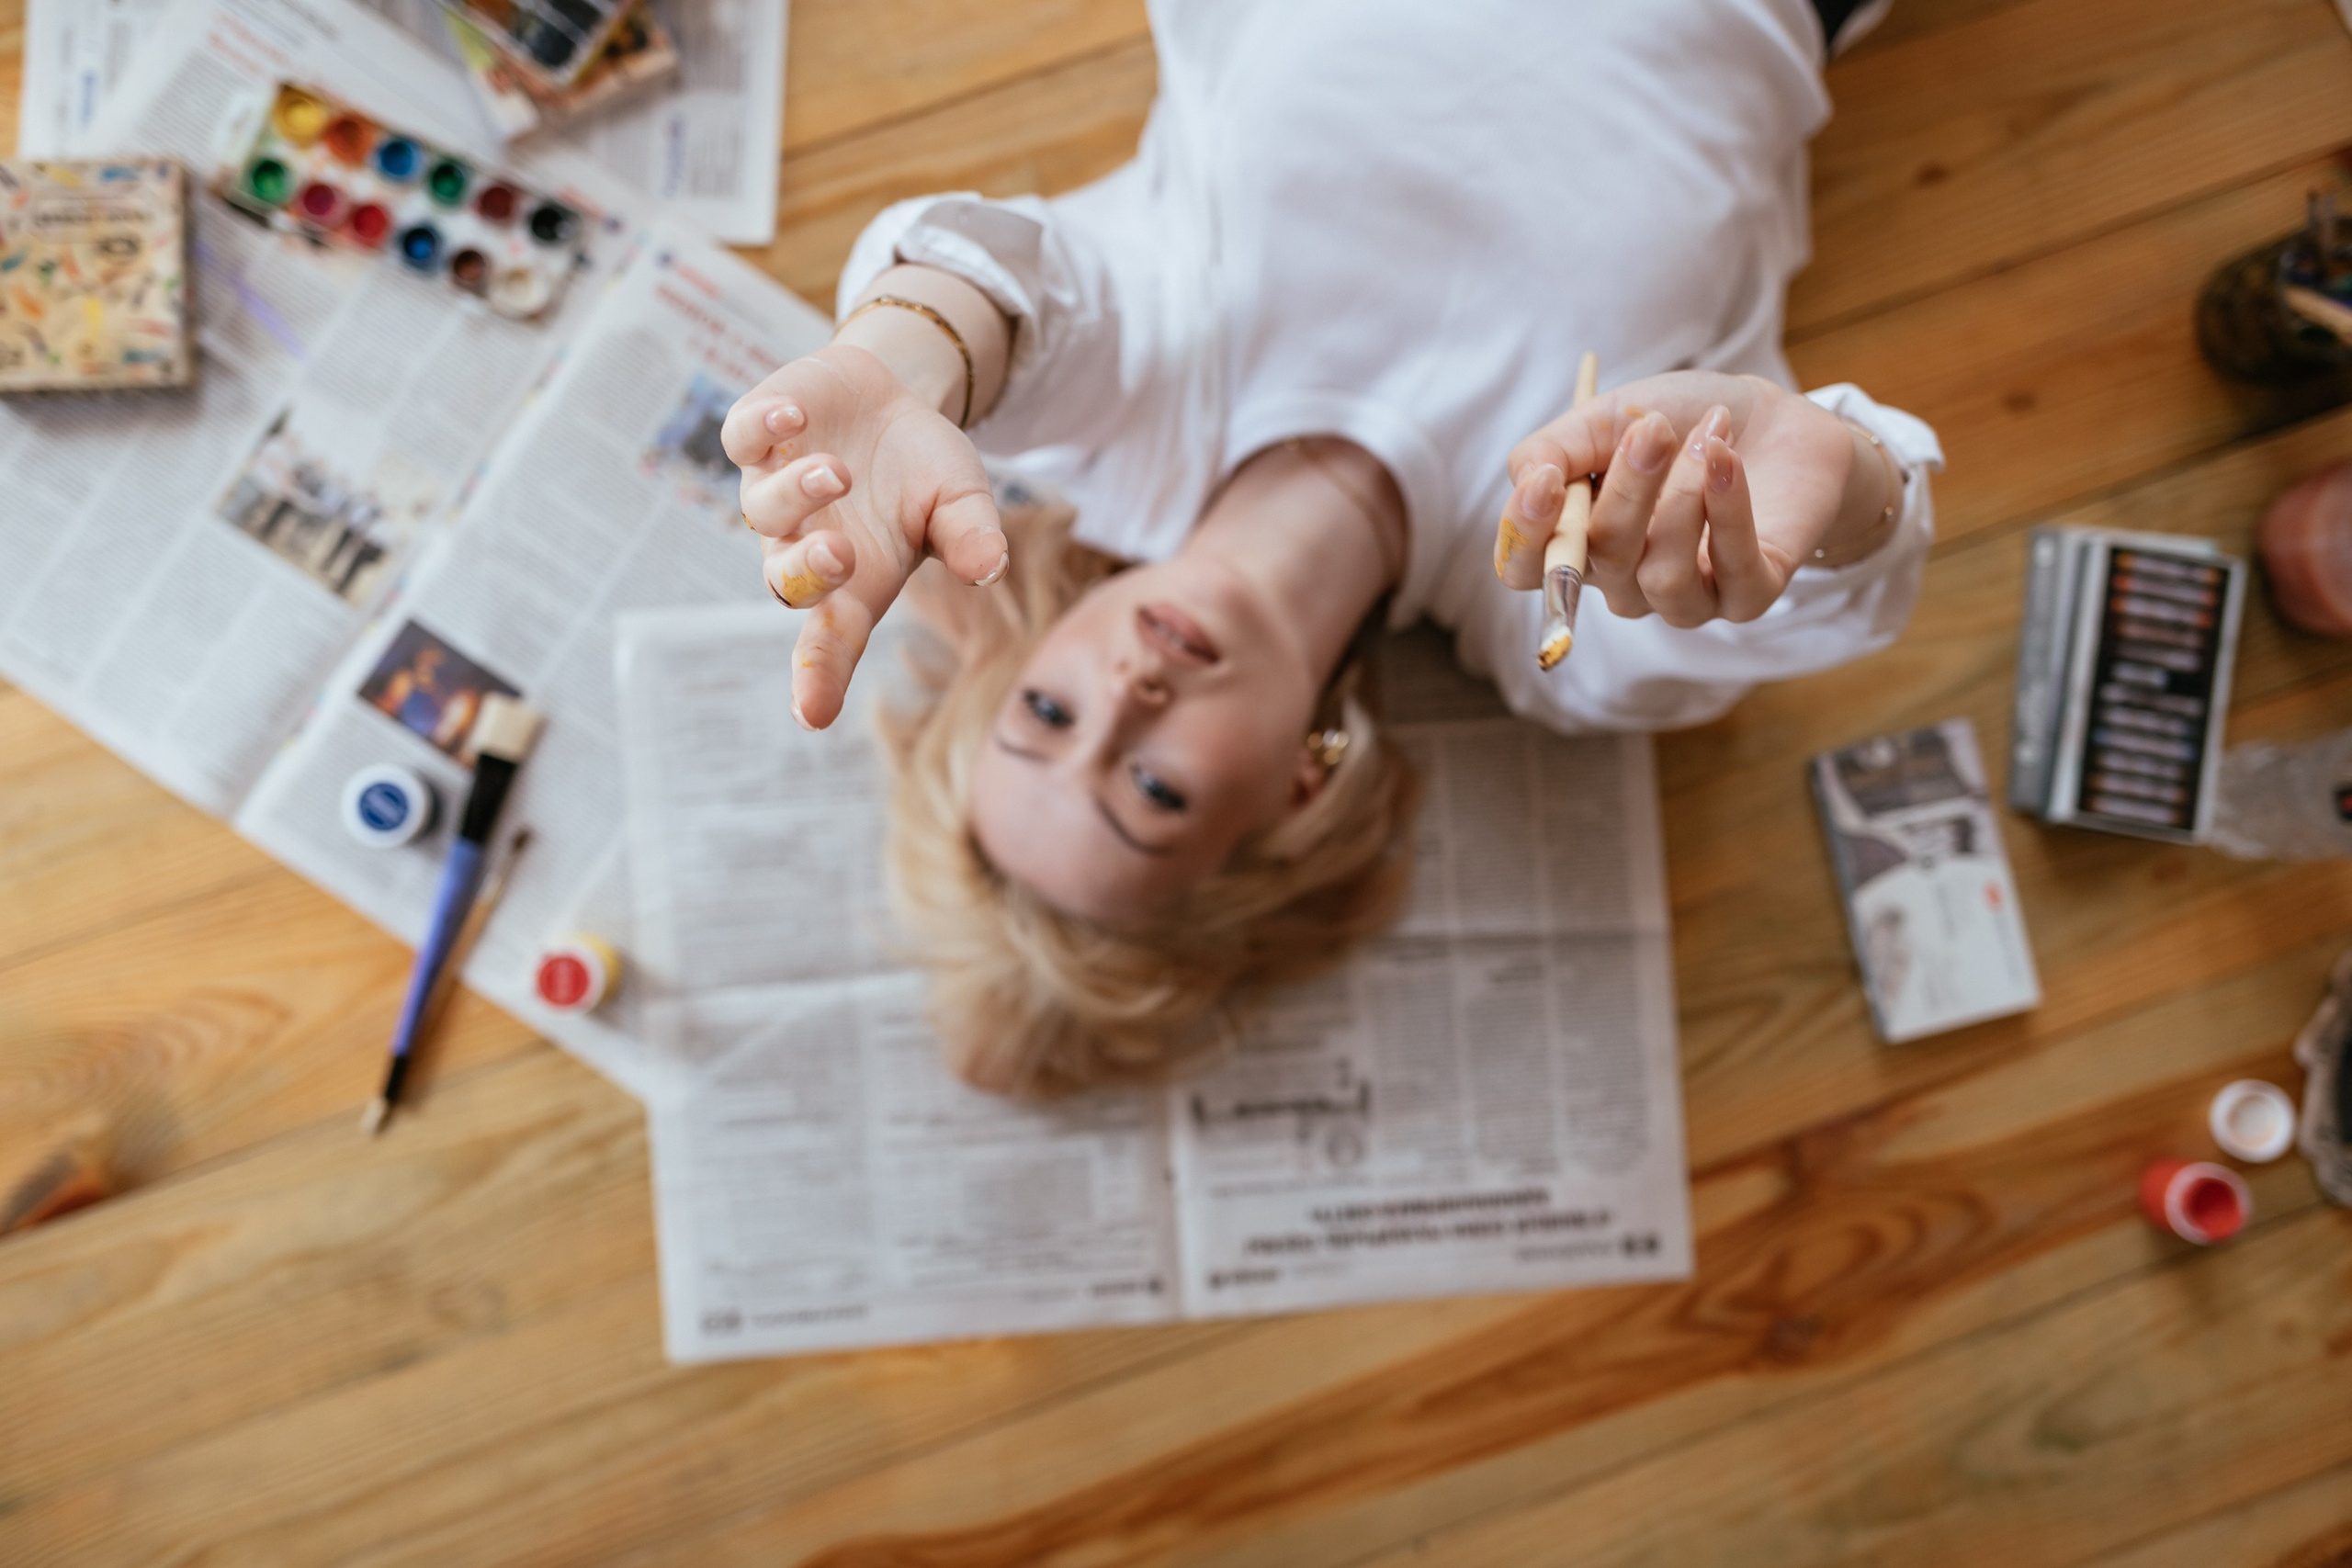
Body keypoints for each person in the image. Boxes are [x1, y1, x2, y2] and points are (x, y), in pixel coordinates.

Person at [724, 0, 1935, 1095]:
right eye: (1154, 790)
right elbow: (1825, 582)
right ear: (1297, 793)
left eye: (1045, 715)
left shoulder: (1125, 415)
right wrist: (1838, 476)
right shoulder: (1554, 617)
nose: (1126, 700)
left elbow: (1000, 293)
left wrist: (897, 364)